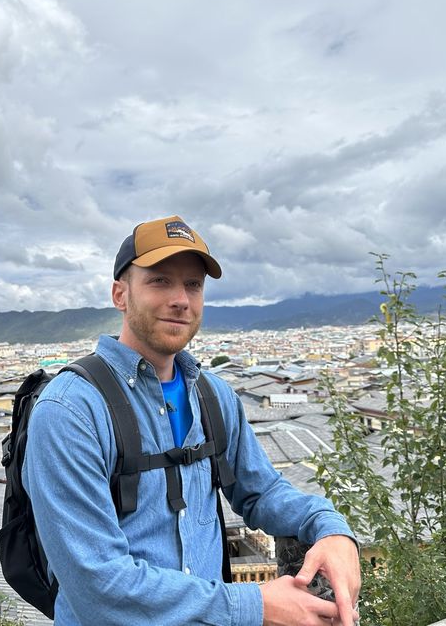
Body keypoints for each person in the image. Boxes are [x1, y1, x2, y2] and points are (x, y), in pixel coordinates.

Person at [23, 215, 361, 626]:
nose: (181, 298)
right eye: (160, 281)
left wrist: (330, 528)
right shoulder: (72, 411)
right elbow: (98, 586)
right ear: (120, 294)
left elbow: (263, 492)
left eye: (193, 284)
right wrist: (255, 605)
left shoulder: (214, 397)